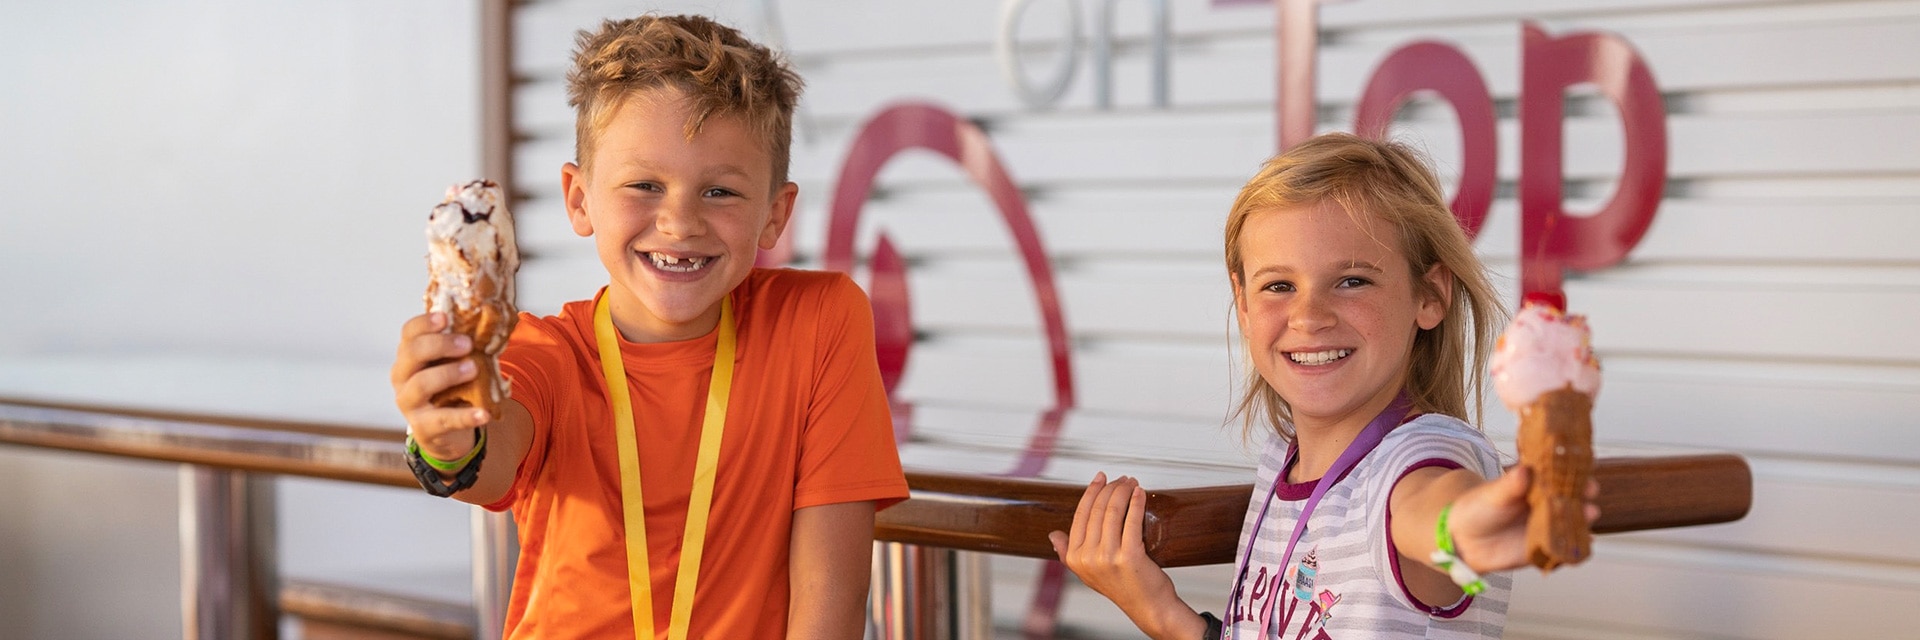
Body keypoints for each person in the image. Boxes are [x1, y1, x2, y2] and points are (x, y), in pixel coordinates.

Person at [390, 14, 909, 639]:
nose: (679, 222)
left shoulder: (820, 321)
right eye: (644, 184)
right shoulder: (545, 354)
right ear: (579, 199)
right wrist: (445, 436)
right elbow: (488, 455)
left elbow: (832, 596)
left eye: (720, 192)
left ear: (776, 214)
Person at [1048, 132, 1597, 639]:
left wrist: (1468, 525)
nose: (1309, 316)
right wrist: (1161, 614)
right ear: (1242, 304)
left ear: (1429, 296)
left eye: (1352, 281)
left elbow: (1428, 509)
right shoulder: (1279, 467)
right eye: (1279, 285)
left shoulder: (1418, 455)